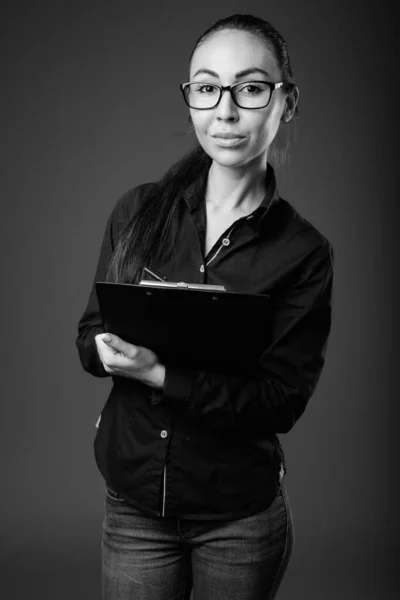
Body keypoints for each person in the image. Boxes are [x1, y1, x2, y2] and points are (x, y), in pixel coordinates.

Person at [76, 13, 334, 600]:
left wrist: (159, 373)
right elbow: (88, 335)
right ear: (191, 98)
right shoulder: (138, 211)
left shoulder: (304, 252)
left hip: (237, 518)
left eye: (249, 87)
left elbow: (279, 401)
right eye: (206, 86)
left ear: (285, 102)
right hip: (135, 506)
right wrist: (106, 351)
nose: (224, 111)